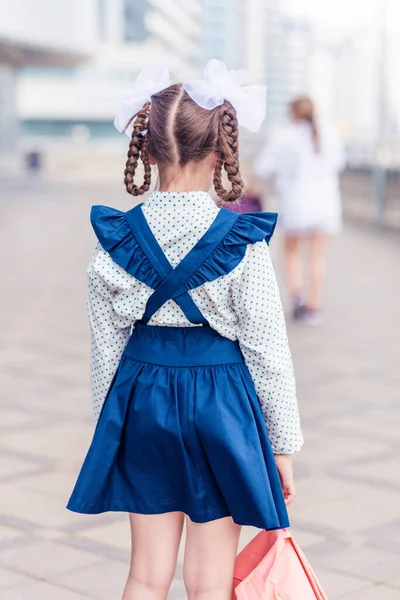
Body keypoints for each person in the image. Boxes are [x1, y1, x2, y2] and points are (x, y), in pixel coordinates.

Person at [67, 60, 303, 600]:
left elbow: (106, 353)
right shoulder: (240, 242)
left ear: (148, 150)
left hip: (142, 398)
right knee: (210, 582)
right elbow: (268, 350)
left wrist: (114, 429)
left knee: (145, 575)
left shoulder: (116, 241)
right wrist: (282, 443)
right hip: (223, 404)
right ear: (222, 147)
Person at [255, 96, 345, 324]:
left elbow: (262, 167)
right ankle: (313, 308)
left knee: (291, 252)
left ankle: (297, 295)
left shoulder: (284, 136)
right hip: (325, 204)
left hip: (295, 202)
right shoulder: (331, 134)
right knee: (317, 256)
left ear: (293, 113)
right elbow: (339, 164)